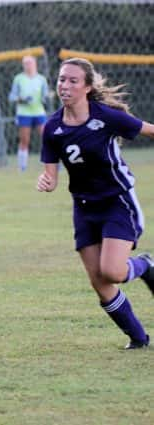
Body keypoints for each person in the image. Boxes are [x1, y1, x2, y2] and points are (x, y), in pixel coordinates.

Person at [37, 57, 154, 349]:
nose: (64, 85)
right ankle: (138, 339)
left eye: (73, 80)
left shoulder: (106, 117)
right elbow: (50, 176)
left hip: (117, 202)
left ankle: (148, 266)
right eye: (62, 79)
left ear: (87, 87)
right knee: (100, 284)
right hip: (84, 209)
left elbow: (149, 130)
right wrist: (46, 182)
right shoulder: (52, 128)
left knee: (112, 271)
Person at [9, 55, 50, 172]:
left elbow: (45, 95)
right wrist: (21, 99)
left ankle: (52, 163)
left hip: (39, 112)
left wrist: (45, 98)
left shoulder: (41, 79)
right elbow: (12, 96)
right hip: (24, 113)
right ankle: (22, 167)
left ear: (35, 64)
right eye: (25, 64)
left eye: (29, 63)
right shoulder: (18, 79)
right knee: (25, 140)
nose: (27, 66)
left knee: (46, 138)